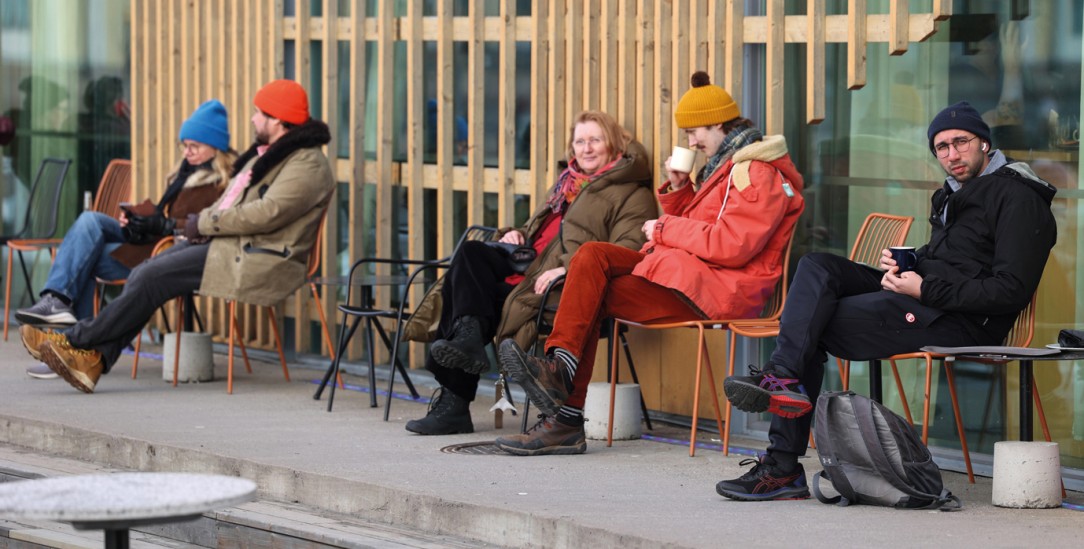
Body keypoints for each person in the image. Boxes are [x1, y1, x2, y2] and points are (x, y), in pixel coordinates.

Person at [717, 101, 1058, 501]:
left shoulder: (1019, 199)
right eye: (941, 148)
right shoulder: (955, 195)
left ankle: (780, 466)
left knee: (812, 324)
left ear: (984, 143)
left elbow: (1009, 290)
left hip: (959, 320)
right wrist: (910, 261)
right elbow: (954, 257)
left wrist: (923, 289)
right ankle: (784, 379)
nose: (951, 154)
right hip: (922, 299)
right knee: (817, 267)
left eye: (960, 142)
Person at [494, 71, 805, 456]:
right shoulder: (727, 166)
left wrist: (665, 227)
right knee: (592, 254)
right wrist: (680, 191)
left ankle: (565, 415)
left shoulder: (756, 173)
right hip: (689, 276)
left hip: (715, 291)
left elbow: (732, 245)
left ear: (719, 124)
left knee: (592, 290)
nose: (691, 141)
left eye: (695, 132)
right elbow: (707, 228)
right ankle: (561, 369)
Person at [19, 79, 335, 394]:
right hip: (229, 245)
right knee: (145, 272)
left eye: (258, 112)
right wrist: (187, 227)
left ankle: (76, 339)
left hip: (257, 255)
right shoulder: (268, 155)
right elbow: (229, 208)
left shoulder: (307, 163)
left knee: (150, 276)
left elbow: (268, 213)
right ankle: (91, 362)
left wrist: (201, 224)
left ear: (278, 119)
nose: (252, 119)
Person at [404, 110, 658, 436]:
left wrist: (569, 268)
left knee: (468, 299)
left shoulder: (631, 194)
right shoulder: (566, 184)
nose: (586, 148)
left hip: (557, 283)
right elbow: (540, 232)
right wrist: (515, 235)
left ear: (614, 143)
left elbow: (629, 249)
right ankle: (467, 340)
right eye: (580, 141)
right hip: (526, 265)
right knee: (471, 254)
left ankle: (454, 403)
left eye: (595, 139)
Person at [17, 99, 234, 327]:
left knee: (84, 257)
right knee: (90, 220)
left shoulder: (224, 182)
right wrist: (136, 221)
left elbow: (210, 223)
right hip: (151, 240)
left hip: (169, 250)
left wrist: (163, 224)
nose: (187, 152)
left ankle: (74, 344)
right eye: (184, 145)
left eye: (195, 146)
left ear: (215, 147)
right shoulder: (185, 172)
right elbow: (163, 216)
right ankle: (55, 300)